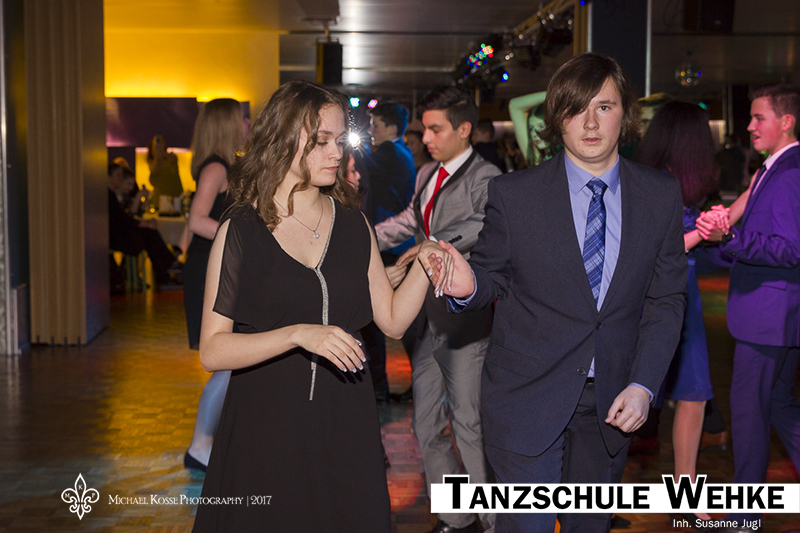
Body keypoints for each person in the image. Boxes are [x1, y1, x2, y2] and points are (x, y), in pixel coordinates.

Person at [436, 53, 688, 533]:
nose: (590, 123)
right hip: (526, 396)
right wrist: (468, 285)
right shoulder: (515, 194)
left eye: (604, 107)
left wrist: (644, 384)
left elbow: (666, 299)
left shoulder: (659, 194)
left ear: (625, 115)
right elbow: (491, 275)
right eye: (576, 109)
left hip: (613, 401)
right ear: (557, 118)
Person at [191, 80, 448, 532]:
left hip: (344, 418)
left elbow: (391, 320)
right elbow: (213, 349)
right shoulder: (242, 229)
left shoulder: (353, 223)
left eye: (340, 140)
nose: (336, 153)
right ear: (284, 140)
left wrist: (426, 264)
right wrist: (298, 333)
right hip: (267, 423)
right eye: (321, 141)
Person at [376, 86, 501, 533]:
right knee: (425, 423)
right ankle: (456, 516)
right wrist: (365, 235)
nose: (425, 138)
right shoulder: (428, 172)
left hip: (466, 322)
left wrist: (430, 245)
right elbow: (412, 221)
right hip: (428, 319)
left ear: (464, 129)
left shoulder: (487, 176)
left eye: (435, 129)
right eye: (424, 128)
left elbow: (481, 226)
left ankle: (494, 522)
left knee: (469, 425)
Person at [699, 82, 800, 533]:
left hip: (768, 317)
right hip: (776, 316)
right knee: (778, 406)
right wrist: (725, 238)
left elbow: (790, 249)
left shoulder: (789, 172)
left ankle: (744, 517)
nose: (751, 126)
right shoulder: (773, 168)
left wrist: (732, 238)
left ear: (787, 121)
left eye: (760, 117)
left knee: (749, 416)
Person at [634, 100, 728, 522]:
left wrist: (716, 230)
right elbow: (655, 250)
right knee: (639, 391)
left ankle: (685, 496)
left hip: (682, 293)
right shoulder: (653, 183)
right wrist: (702, 233)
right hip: (655, 294)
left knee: (693, 394)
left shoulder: (671, 180)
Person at [182, 98, 247, 472]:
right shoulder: (216, 167)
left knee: (230, 361)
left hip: (218, 268)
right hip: (211, 270)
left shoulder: (223, 165)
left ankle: (208, 443)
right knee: (227, 361)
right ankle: (201, 445)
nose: (247, 124)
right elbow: (196, 220)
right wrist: (240, 237)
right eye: (242, 119)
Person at [360, 102, 417, 402]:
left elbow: (360, 163)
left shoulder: (389, 153)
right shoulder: (402, 152)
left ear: (391, 128)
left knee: (378, 318)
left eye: (375, 124)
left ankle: (379, 387)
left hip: (390, 245)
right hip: (395, 243)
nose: (371, 129)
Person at [108, 159, 179, 288]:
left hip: (120, 234)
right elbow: (123, 219)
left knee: (149, 233)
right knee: (148, 235)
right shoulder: (110, 196)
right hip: (116, 237)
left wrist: (144, 222)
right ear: (109, 177)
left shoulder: (115, 195)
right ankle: (167, 268)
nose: (120, 178)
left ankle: (166, 271)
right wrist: (144, 223)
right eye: (118, 175)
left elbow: (127, 218)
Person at [508, 90, 557, 167]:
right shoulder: (536, 158)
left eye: (541, 126)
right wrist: (555, 94)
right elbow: (514, 105)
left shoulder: (569, 155)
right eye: (531, 129)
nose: (534, 133)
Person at [147, 134, 184, 203]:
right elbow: (154, 171)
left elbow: (174, 159)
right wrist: (156, 157)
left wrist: (162, 152)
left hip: (175, 196)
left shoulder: (171, 157)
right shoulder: (152, 161)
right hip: (160, 198)